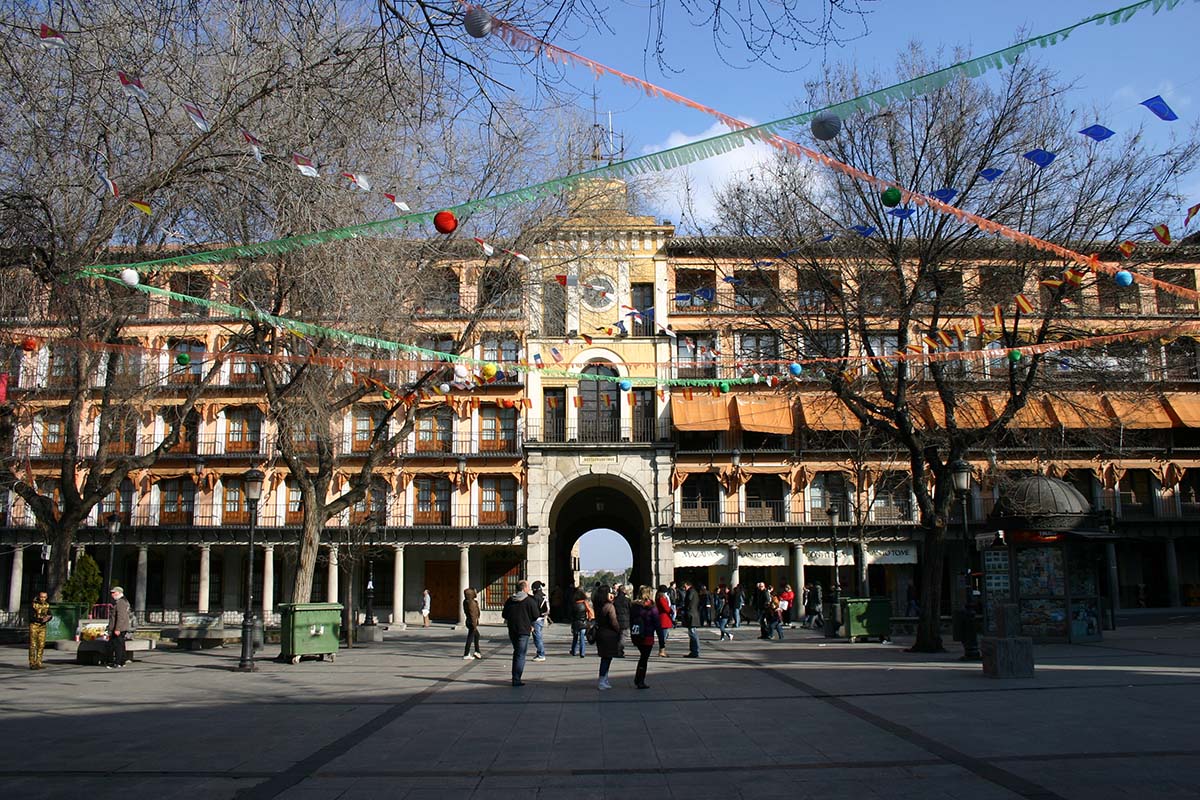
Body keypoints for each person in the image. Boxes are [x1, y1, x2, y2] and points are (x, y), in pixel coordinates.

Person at [501, 579, 541, 687]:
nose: (529, 588)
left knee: (517, 652)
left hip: (512, 629)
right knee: (520, 654)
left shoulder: (510, 600)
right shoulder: (529, 600)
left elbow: (504, 615)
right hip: (524, 630)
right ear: (524, 588)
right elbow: (536, 615)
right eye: (527, 586)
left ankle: (515, 677)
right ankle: (516, 678)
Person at [628, 586, 661, 689]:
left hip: (637, 634)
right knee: (644, 659)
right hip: (647, 635)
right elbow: (657, 624)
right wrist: (662, 642)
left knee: (643, 657)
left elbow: (631, 620)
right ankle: (640, 680)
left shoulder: (634, 606)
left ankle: (638, 679)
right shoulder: (652, 607)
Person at [593, 584, 621, 690]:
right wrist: (619, 630)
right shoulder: (609, 606)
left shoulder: (598, 605)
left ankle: (604, 679)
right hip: (609, 634)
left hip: (601, 632)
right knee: (607, 658)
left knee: (605, 657)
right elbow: (614, 621)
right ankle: (602, 680)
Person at [106, 586, 132, 669]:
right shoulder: (122, 601)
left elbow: (121, 616)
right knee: (120, 645)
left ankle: (117, 662)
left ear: (119, 593)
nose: (112, 594)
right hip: (120, 627)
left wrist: (117, 628)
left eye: (114, 592)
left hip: (119, 628)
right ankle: (122, 661)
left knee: (117, 646)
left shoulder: (121, 602)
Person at [28, 591, 52, 670]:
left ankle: (39, 662)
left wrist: (48, 618)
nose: (43, 599)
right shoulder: (34, 604)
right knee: (33, 645)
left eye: (44, 597)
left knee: (41, 645)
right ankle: (32, 662)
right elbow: (31, 616)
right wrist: (39, 620)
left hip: (43, 627)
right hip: (34, 625)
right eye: (41, 597)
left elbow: (50, 614)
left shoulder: (47, 605)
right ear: (39, 597)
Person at [681, 579, 701, 658]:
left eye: (684, 586)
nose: (684, 588)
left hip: (691, 614)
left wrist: (684, 607)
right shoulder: (694, 591)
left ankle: (695, 651)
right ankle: (694, 650)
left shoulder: (691, 591)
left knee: (693, 633)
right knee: (692, 633)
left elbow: (688, 600)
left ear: (687, 585)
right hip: (693, 614)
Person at [531, 581, 550, 662]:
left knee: (537, 637)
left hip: (536, 619)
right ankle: (539, 653)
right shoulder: (544, 595)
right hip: (542, 617)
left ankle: (541, 654)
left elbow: (534, 609)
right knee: (538, 636)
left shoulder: (536, 597)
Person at [462, 588, 482, 660]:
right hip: (472, 622)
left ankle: (477, 651)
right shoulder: (471, 603)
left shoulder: (467, 601)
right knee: (470, 637)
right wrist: (474, 624)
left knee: (476, 636)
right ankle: (466, 654)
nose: (476, 593)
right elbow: (473, 614)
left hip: (469, 621)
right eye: (475, 592)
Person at [570, 588, 590, 657]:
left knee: (575, 637)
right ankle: (582, 652)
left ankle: (574, 650)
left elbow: (571, 615)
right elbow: (589, 611)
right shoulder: (585, 604)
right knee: (582, 638)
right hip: (583, 622)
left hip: (576, 623)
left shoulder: (574, 604)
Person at [613, 584, 631, 659]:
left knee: (617, 636)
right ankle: (619, 650)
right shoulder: (627, 600)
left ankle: (616, 650)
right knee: (623, 637)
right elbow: (630, 610)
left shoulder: (615, 600)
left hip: (616, 619)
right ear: (624, 591)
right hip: (625, 620)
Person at [655, 585, 674, 657]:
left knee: (663, 635)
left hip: (662, 617)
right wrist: (671, 611)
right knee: (663, 636)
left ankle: (662, 650)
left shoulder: (658, 597)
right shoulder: (662, 598)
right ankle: (662, 651)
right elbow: (666, 608)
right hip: (664, 618)